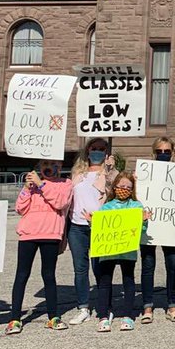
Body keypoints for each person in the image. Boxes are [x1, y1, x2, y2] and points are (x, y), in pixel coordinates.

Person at [6, 160, 72, 334]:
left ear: (59, 166)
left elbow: (60, 203)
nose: (48, 167)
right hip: (28, 234)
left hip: (50, 234)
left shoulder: (66, 183)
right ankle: (14, 318)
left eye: (52, 163)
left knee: (48, 275)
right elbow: (20, 208)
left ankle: (53, 316)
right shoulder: (32, 184)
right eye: (45, 164)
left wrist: (41, 185)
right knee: (21, 275)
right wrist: (27, 189)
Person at [66, 137, 116, 325]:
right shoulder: (78, 173)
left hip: (100, 226)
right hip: (77, 226)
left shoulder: (110, 173)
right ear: (87, 150)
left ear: (106, 153)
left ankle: (105, 307)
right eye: (94, 148)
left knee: (100, 268)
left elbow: (117, 193)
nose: (97, 152)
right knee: (80, 269)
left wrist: (110, 170)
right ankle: (83, 307)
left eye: (101, 149)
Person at [89, 172, 147, 332]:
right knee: (104, 282)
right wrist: (92, 222)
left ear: (132, 190)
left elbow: (141, 231)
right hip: (107, 251)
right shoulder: (106, 207)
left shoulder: (137, 206)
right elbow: (99, 230)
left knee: (128, 281)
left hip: (127, 251)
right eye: (122, 186)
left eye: (128, 187)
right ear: (115, 187)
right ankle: (103, 316)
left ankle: (128, 315)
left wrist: (144, 221)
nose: (125, 189)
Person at [140, 136, 175, 324]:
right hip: (150, 225)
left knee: (172, 265)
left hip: (170, 224)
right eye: (159, 151)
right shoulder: (145, 173)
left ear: (173, 153)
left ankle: (172, 305)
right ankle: (147, 306)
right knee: (148, 265)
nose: (163, 154)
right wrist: (136, 182)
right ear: (154, 153)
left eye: (167, 151)